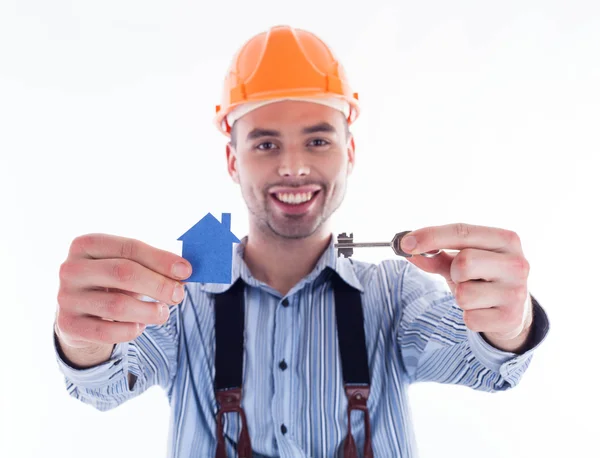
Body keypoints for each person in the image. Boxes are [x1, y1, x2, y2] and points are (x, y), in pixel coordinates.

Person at [53, 25, 550, 458]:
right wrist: (82, 341)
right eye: (266, 143)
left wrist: (510, 323)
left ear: (349, 152)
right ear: (233, 161)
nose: (293, 166)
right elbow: (106, 383)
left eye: (317, 141)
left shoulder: (396, 294)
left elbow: (484, 363)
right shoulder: (185, 300)